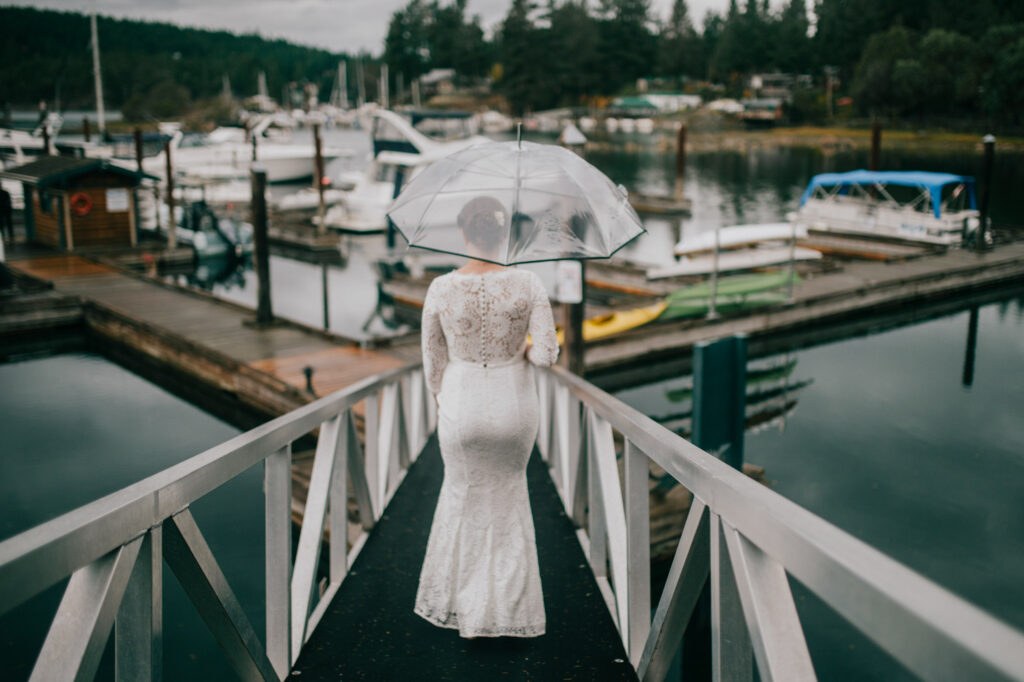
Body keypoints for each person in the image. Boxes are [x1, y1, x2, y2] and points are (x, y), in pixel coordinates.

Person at [414, 195, 559, 638]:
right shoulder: (529, 283)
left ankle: (458, 603)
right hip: (513, 403)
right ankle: (509, 610)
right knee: (510, 497)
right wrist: (528, 348)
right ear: (504, 234)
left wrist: (446, 399)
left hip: (462, 404)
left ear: (464, 232)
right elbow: (548, 355)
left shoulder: (440, 288)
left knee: (461, 495)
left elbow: (432, 364)